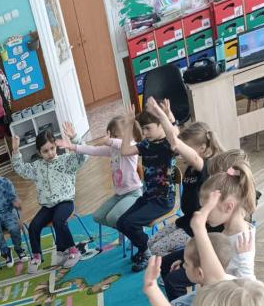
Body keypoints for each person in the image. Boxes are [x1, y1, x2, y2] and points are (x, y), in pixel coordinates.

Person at [161, 149, 253, 301]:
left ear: (228, 206)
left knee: (177, 304)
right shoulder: (228, 228)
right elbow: (213, 256)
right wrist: (187, 263)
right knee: (177, 303)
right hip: (213, 292)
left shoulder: (242, 239)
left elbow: (247, 287)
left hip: (223, 302)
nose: (203, 212)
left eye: (208, 208)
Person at [145, 97, 223, 258]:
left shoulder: (204, 166)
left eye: (186, 149)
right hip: (186, 220)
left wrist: (160, 115)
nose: (180, 154)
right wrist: (170, 117)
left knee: (157, 249)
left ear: (202, 148)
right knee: (150, 244)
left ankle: (187, 261)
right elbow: (176, 137)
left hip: (199, 228)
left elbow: (176, 143)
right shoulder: (192, 166)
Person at [11, 124, 86, 271]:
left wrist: (75, 138)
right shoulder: (37, 166)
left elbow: (83, 156)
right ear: (39, 152)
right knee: (33, 226)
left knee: (58, 221)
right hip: (47, 206)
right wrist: (15, 151)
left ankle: (73, 251)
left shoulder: (66, 161)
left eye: (52, 148)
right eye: (45, 151)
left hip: (65, 202)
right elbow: (20, 169)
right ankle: (36, 257)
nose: (50, 153)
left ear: (56, 146)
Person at [116, 103, 177, 271]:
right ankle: (146, 248)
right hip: (148, 198)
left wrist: (168, 117)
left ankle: (147, 250)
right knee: (121, 223)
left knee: (129, 223)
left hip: (163, 200)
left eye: (148, 128)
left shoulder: (169, 145)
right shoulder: (146, 144)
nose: (144, 133)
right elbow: (125, 150)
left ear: (161, 125)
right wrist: (129, 123)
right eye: (142, 129)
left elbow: (175, 135)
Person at [61, 115, 142, 230]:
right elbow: (93, 150)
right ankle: (126, 229)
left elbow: (121, 143)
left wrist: (109, 141)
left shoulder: (131, 148)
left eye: (115, 136)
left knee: (112, 218)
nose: (112, 139)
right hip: (119, 195)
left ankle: (134, 232)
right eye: (110, 135)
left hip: (133, 193)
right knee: (98, 217)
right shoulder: (113, 150)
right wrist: (73, 146)